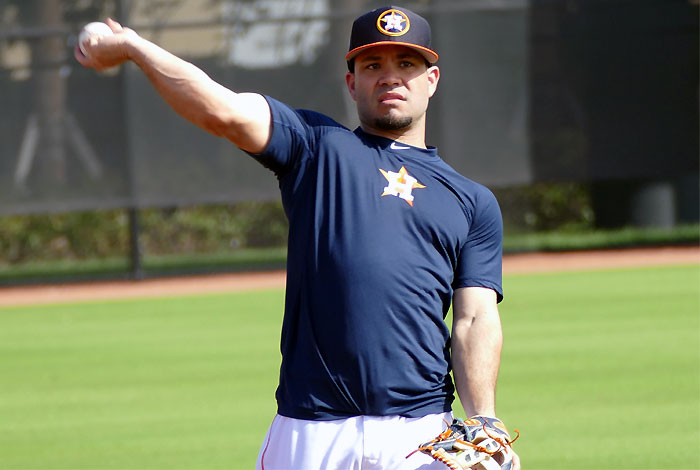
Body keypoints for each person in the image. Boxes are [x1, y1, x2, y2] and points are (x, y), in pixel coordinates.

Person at [76, 6, 520, 470]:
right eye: (373, 65)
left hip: (422, 433)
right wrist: (136, 47)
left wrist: (484, 419)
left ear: (432, 79)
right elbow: (221, 110)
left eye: (406, 64)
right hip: (311, 431)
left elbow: (474, 318)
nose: (390, 76)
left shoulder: (472, 202)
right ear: (352, 83)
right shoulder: (315, 145)